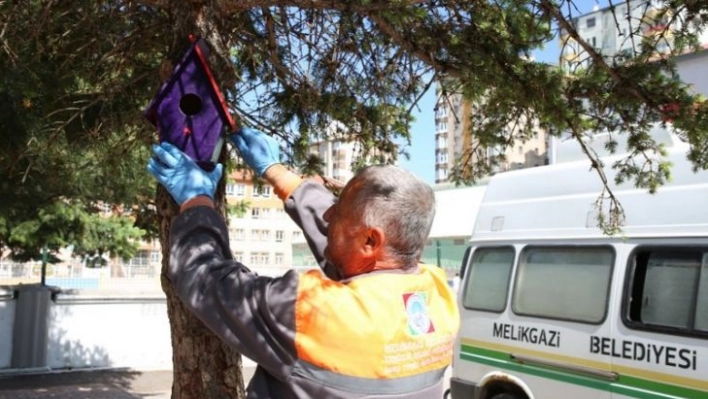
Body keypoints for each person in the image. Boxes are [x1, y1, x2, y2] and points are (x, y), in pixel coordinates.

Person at [147, 127, 460, 399]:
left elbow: (203, 277)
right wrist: (276, 172)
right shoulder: (438, 298)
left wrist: (196, 200)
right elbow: (351, 250)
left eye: (338, 211)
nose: (328, 215)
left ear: (369, 242)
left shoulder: (312, 314)